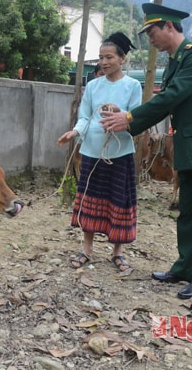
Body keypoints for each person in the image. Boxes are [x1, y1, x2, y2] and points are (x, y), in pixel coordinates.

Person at [102, 3, 192, 299]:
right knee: (188, 213)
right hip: (190, 147)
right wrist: (129, 121)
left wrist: (129, 118)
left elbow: (173, 96)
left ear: (168, 27)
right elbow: (166, 101)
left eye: (152, 32)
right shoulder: (175, 62)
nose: (150, 39)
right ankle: (185, 267)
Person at [57, 32, 141, 273]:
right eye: (101, 57)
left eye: (109, 57)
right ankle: (87, 249)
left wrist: (121, 112)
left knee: (119, 201)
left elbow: (137, 117)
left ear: (122, 59)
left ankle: (118, 252)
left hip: (120, 151)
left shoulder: (133, 86)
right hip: (92, 152)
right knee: (89, 200)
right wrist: (74, 132)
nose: (104, 62)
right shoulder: (93, 85)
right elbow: (85, 116)